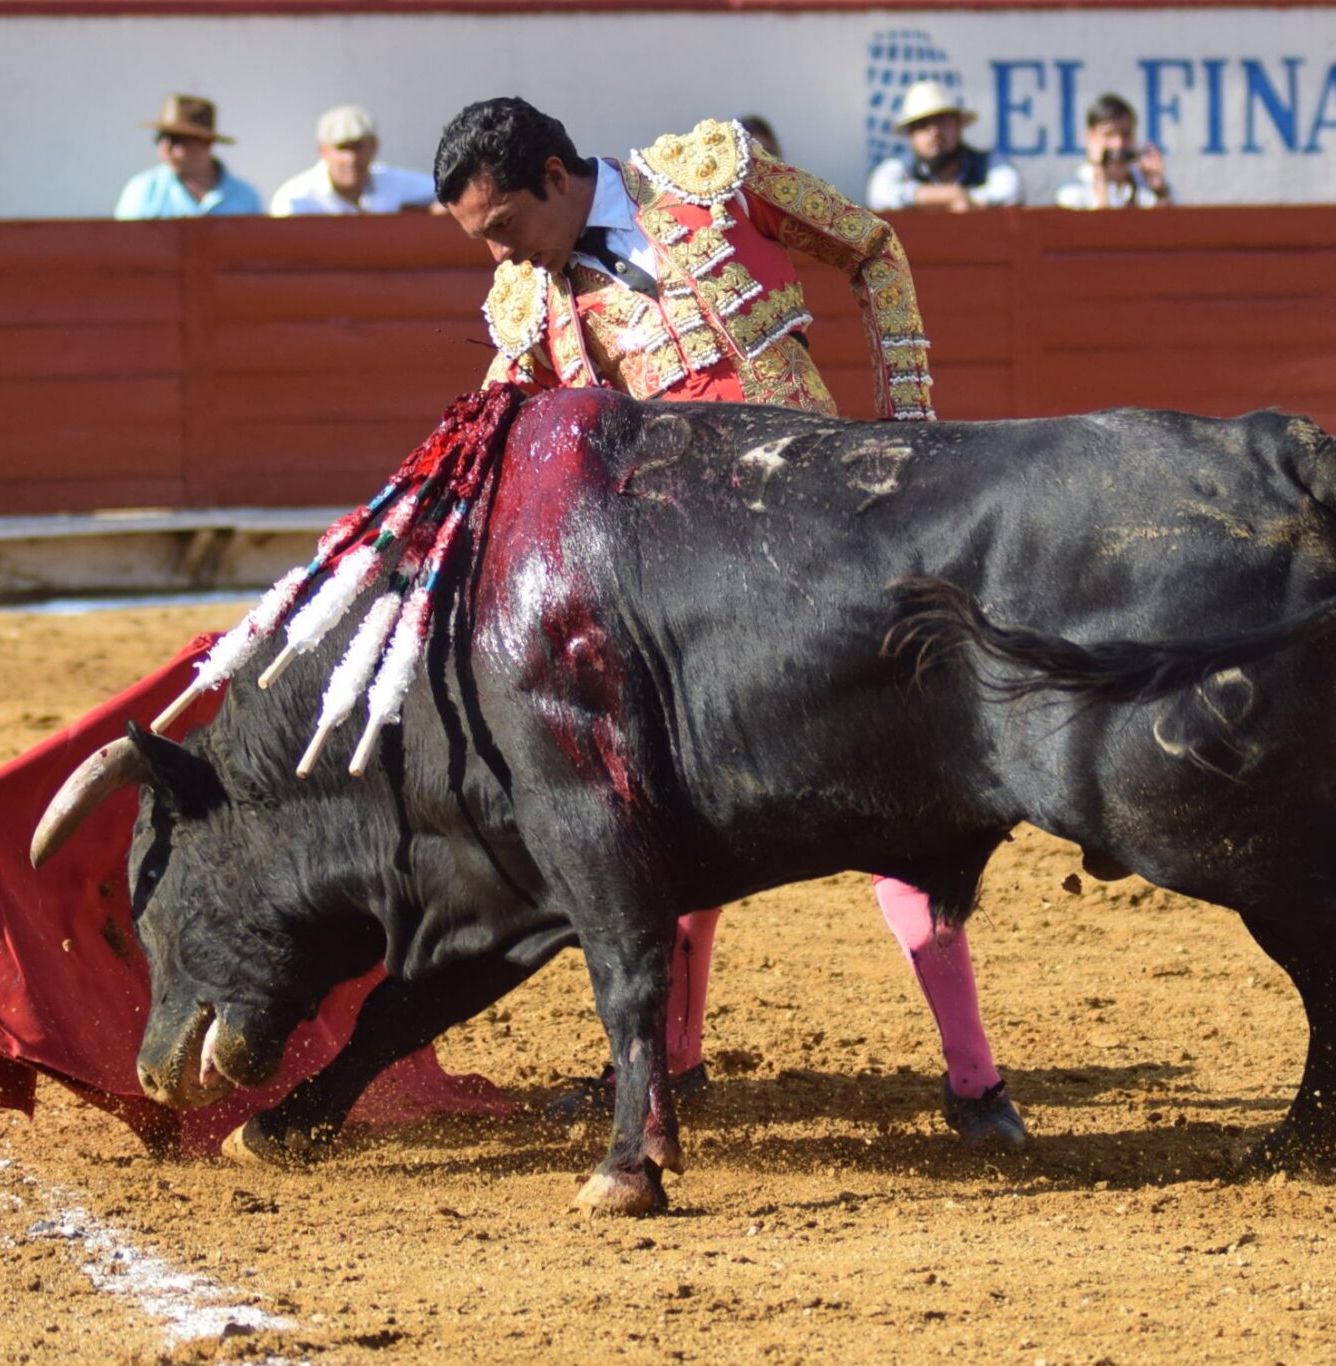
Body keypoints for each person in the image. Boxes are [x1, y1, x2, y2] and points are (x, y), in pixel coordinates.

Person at [434, 96, 1025, 1144]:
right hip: (698, 603)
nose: (497, 254)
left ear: (558, 180)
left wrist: (912, 430)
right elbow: (488, 435)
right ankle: (675, 1064)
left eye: (501, 226)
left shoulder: (713, 181)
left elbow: (874, 249)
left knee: (899, 811)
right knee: (668, 821)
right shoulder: (531, 308)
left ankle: (974, 1083)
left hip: (836, 545)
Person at [866, 81, 1022, 213]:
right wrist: (949, 197)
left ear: (958, 125)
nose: (934, 132)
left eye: (941, 121)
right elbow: (879, 194)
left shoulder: (989, 162)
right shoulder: (898, 167)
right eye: (923, 125)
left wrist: (965, 198)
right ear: (911, 135)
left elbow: (1011, 190)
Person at [270, 104, 439, 217]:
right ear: (323, 151)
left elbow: (446, 191)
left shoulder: (389, 180)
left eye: (357, 147)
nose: (351, 159)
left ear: (373, 147)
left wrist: (443, 207)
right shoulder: (296, 197)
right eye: (342, 148)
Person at [114, 94, 262, 220]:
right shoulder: (144, 190)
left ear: (206, 143)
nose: (165, 147)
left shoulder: (244, 196)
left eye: (176, 139)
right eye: (161, 138)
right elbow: (124, 247)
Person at [1055, 94, 1172, 210]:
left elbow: (1169, 225)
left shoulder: (1147, 186)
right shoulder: (1072, 190)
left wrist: (1159, 190)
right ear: (1090, 138)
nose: (1118, 144)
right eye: (1109, 135)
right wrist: (1100, 177)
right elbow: (1098, 226)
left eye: (1125, 135)